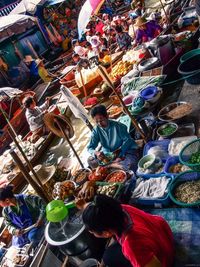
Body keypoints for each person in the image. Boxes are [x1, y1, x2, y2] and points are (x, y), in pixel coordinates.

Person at [81, 195, 174, 267]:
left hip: (165, 255)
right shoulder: (120, 209)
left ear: (106, 233)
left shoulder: (132, 246)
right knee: (108, 256)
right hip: (161, 232)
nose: (91, 233)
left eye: (92, 232)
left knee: (109, 257)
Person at [87, 105, 138, 170]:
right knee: (90, 160)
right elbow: (90, 148)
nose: (100, 124)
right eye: (97, 122)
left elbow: (128, 141)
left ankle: (111, 165)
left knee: (130, 165)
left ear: (107, 116)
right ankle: (112, 165)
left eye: (101, 120)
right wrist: (96, 153)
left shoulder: (118, 126)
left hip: (124, 151)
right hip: (108, 155)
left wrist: (120, 155)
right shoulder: (96, 130)